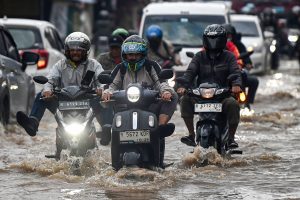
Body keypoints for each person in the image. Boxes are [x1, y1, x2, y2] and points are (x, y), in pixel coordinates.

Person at [102, 35, 178, 166]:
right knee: (110, 122)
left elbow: (161, 83)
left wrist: (166, 92)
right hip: (124, 106)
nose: (132, 58)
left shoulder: (152, 66)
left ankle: (160, 128)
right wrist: (107, 93)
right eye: (129, 55)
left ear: (143, 54)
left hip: (150, 106)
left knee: (174, 95)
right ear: (124, 55)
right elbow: (112, 86)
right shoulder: (120, 68)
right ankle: (115, 162)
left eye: (136, 55)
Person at [16, 32, 109, 139]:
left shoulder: (94, 64)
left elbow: (101, 79)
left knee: (106, 99)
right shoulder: (60, 65)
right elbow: (50, 80)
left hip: (88, 101)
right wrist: (47, 90)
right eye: (72, 50)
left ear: (85, 51)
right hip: (63, 101)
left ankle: (107, 129)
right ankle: (32, 122)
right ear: (67, 51)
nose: (75, 53)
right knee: (40, 96)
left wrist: (101, 90)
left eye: (79, 50)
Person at [177, 24, 242, 148]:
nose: (213, 42)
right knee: (184, 100)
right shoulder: (199, 56)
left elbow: (235, 72)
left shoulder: (229, 57)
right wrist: (183, 85)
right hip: (201, 96)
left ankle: (231, 138)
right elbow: (189, 72)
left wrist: (236, 85)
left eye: (216, 39)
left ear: (223, 40)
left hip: (222, 96)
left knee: (233, 104)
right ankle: (191, 135)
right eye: (210, 38)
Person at [224, 23, 259, 110]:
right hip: (220, 72)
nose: (227, 37)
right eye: (225, 35)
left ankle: (246, 102)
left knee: (252, 80)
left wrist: (246, 64)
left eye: (229, 34)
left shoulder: (236, 46)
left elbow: (242, 58)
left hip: (236, 71)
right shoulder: (214, 45)